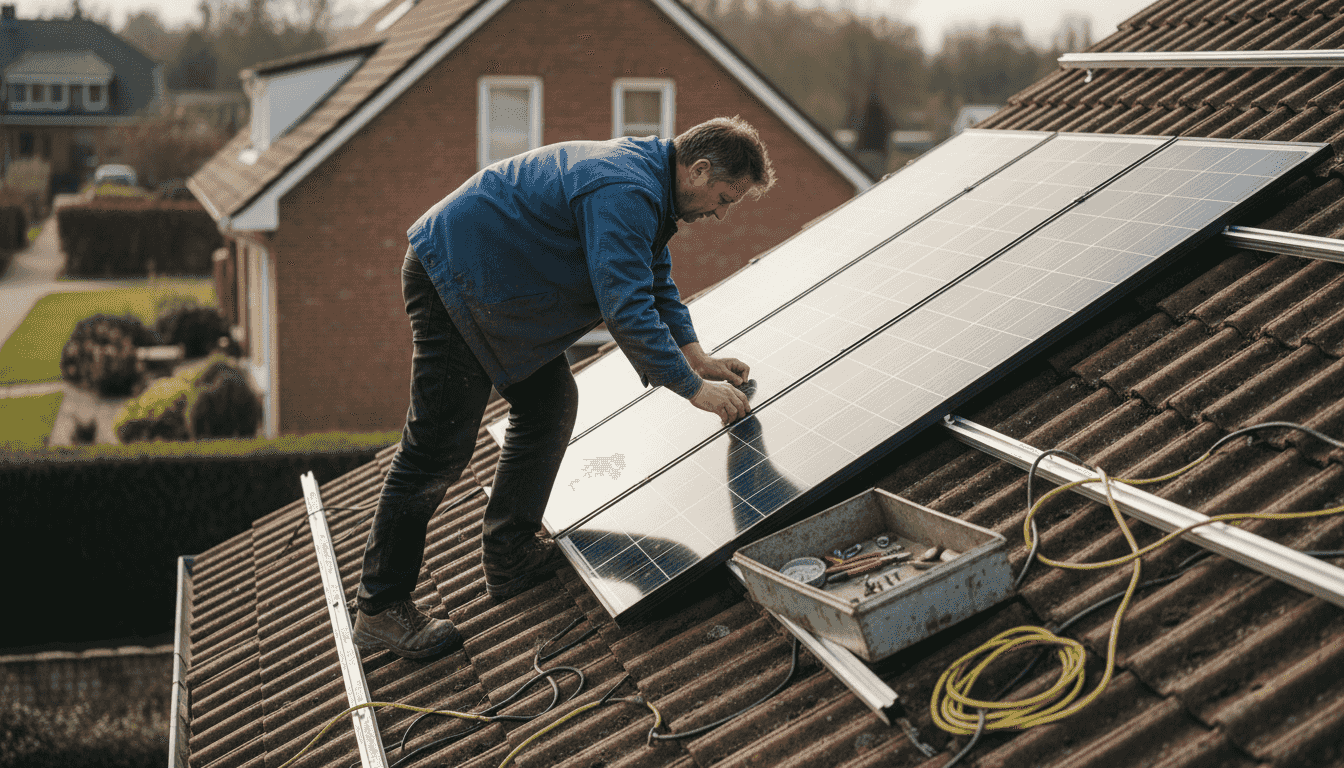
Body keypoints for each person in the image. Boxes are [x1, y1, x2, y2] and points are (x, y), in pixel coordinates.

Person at [351, 116, 776, 659]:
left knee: (549, 403)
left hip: (497, 285)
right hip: (454, 274)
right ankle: (380, 607)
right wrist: (692, 388)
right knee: (436, 449)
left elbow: (652, 276)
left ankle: (508, 554)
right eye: (723, 197)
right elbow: (626, 305)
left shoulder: (648, 185)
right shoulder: (626, 188)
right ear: (697, 169)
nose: (718, 212)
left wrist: (697, 356)